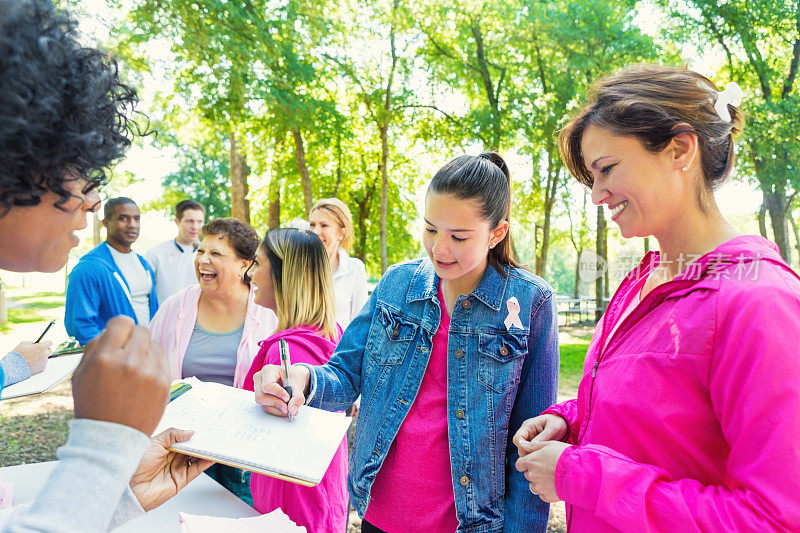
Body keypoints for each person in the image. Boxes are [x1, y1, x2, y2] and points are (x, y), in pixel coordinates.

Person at [513, 65, 800, 531]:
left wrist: (581, 476)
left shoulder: (759, 304)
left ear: (680, 149)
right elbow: (651, 417)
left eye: (606, 169)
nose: (598, 196)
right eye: (592, 178)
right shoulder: (638, 282)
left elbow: (774, 519)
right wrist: (569, 420)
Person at [253, 153, 560, 532]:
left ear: (497, 233)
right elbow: (344, 375)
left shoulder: (532, 303)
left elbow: (532, 443)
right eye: (431, 230)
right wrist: (301, 378)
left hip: (471, 522)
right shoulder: (398, 284)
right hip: (379, 515)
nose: (439, 249)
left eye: (459, 236)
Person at [0, 0, 211, 531]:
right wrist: (103, 448)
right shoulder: (92, 267)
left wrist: (119, 491)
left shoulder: (143, 263)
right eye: (80, 172)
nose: (94, 202)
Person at [148, 217, 277, 505]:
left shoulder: (268, 311)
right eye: (200, 251)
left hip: (242, 456)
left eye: (216, 254)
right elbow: (145, 364)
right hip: (181, 448)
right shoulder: (176, 306)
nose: (203, 260)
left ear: (245, 264)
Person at [241, 228, 347, 533]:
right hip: (319, 491)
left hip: (292, 500)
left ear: (284, 275)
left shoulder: (289, 349)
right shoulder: (330, 332)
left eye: (258, 264)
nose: (250, 274)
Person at [64, 197, 158, 345]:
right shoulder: (88, 268)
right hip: (114, 357)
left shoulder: (144, 264)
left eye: (136, 219)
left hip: (146, 352)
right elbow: (81, 327)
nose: (132, 225)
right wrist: (113, 353)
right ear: (106, 223)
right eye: (123, 219)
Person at [309, 198, 369, 329]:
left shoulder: (355, 269)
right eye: (312, 225)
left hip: (339, 348)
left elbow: (359, 324)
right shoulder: (300, 266)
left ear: (342, 232)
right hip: (303, 348)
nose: (315, 231)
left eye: (324, 225)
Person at [145, 199, 205, 304]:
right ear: (177, 222)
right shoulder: (156, 254)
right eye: (189, 221)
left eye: (199, 222)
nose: (195, 227)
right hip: (165, 318)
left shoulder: (210, 255)